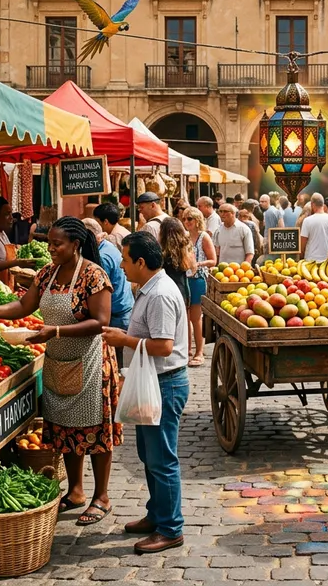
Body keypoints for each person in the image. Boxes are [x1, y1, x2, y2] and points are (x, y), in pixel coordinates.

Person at [0, 216, 121, 526]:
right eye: (49, 243)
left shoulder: (94, 276)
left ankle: (102, 497)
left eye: (57, 244)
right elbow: (23, 306)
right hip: (58, 362)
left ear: (75, 245)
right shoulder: (47, 274)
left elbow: (100, 322)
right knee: (67, 429)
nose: (51, 248)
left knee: (95, 432)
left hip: (91, 362)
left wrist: (54, 331)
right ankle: (77, 491)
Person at [102, 232, 188, 554]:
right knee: (148, 456)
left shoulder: (160, 294)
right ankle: (157, 515)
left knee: (162, 459)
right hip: (152, 381)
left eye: (125, 260)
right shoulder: (149, 288)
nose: (121, 266)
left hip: (165, 383)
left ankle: (170, 528)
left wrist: (124, 340)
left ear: (140, 262)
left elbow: (164, 347)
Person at [83, 218, 134, 368]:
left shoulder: (102, 257)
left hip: (116, 315)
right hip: (123, 310)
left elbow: (98, 292)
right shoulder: (108, 247)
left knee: (114, 364)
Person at [183, 208, 217, 366]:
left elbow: (213, 260)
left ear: (197, 220)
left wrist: (199, 263)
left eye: (189, 219)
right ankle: (187, 349)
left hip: (198, 279)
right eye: (184, 219)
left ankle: (199, 352)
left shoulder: (204, 237)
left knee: (196, 318)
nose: (186, 222)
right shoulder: (184, 237)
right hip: (184, 278)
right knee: (185, 317)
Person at [158, 217, 194, 306]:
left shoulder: (162, 255)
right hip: (183, 291)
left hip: (167, 294)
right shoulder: (185, 250)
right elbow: (192, 270)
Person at [301, 194, 328, 260]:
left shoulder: (307, 221)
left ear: (312, 204)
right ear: (323, 205)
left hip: (311, 260)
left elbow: (302, 243)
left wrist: (302, 257)